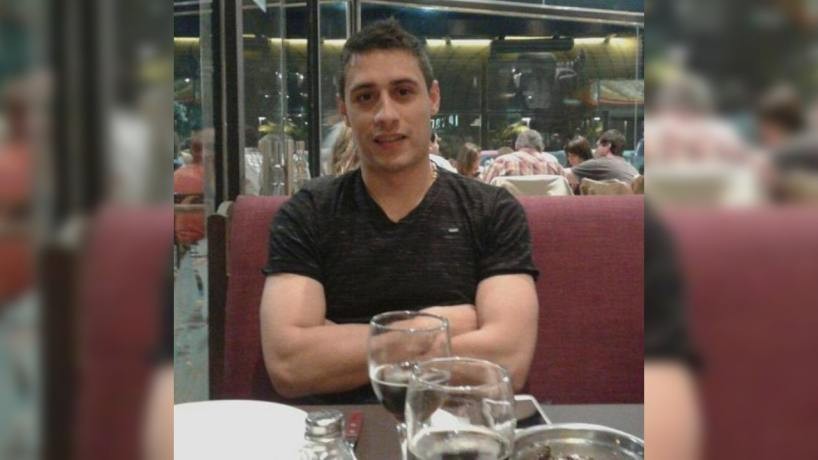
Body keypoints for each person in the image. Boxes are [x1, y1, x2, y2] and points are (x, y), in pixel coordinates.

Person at [260, 19, 539, 403]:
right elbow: (290, 364)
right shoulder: (308, 213)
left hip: (462, 426)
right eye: (365, 97)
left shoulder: (492, 211)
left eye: (403, 92)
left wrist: (342, 342)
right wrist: (435, 327)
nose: (385, 115)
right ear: (344, 110)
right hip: (341, 430)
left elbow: (508, 362)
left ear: (433, 98)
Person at [480, 128, 564, 184]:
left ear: (516, 146)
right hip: (547, 206)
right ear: (541, 147)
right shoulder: (554, 165)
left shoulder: (501, 163)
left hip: (510, 206)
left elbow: (485, 192)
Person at [566, 129, 639, 188]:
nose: (596, 150)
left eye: (598, 146)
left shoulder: (601, 163)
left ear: (607, 145)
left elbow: (565, 175)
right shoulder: (631, 167)